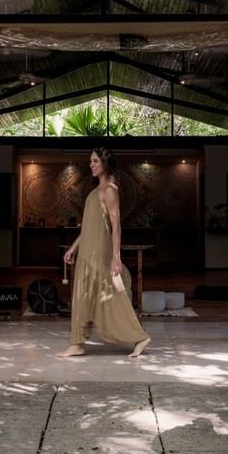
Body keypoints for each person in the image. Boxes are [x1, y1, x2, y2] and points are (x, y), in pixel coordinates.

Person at [56, 148, 151, 358]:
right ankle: (77, 343)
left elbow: (116, 226)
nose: (90, 164)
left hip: (99, 251)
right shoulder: (94, 191)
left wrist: (116, 258)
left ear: (105, 164)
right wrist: (73, 248)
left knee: (110, 296)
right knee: (83, 295)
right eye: (90, 160)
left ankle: (138, 336)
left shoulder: (109, 190)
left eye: (95, 161)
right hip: (87, 251)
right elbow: (88, 227)